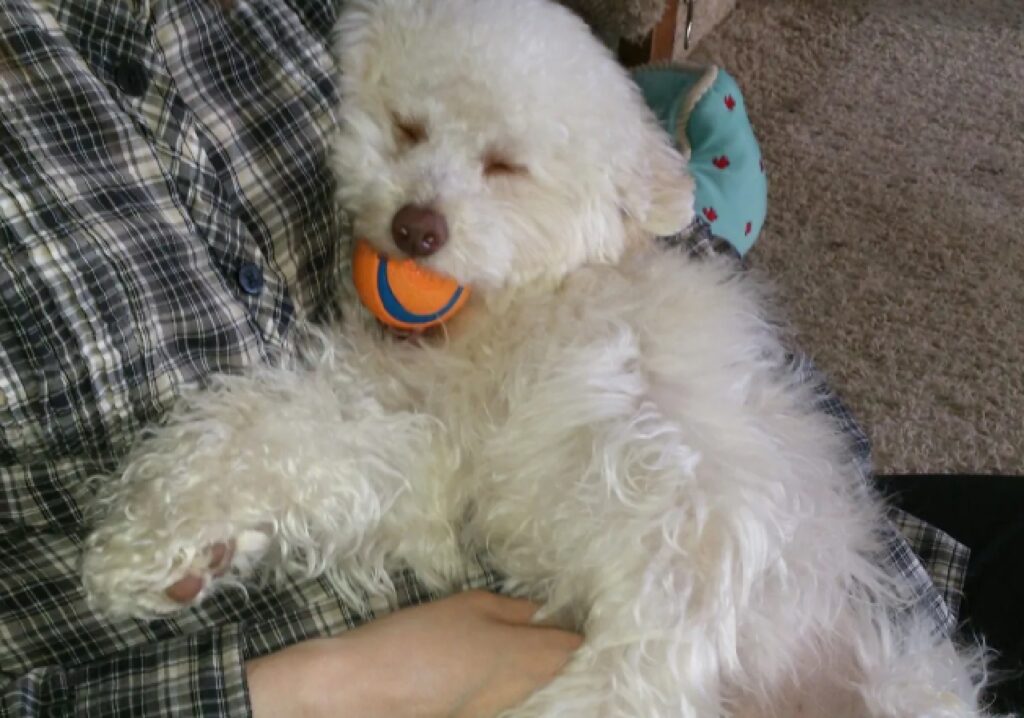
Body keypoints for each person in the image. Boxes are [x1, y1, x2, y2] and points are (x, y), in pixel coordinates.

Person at [0, 0, 986, 715]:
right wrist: (333, 686)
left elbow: (761, 459)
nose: (424, 209)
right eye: (411, 133)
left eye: (500, 168)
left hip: (801, 627)